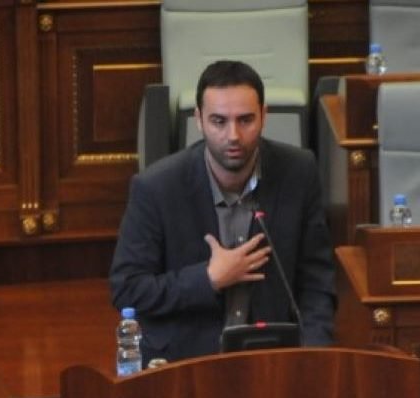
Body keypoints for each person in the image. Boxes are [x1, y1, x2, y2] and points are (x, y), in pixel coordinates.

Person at [110, 60, 336, 364]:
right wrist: (207, 279)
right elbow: (128, 289)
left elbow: (317, 283)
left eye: (245, 120)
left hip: (272, 357)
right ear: (199, 120)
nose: (233, 135)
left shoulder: (299, 171)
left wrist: (315, 357)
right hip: (187, 363)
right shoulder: (156, 187)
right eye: (219, 121)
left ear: (264, 116)